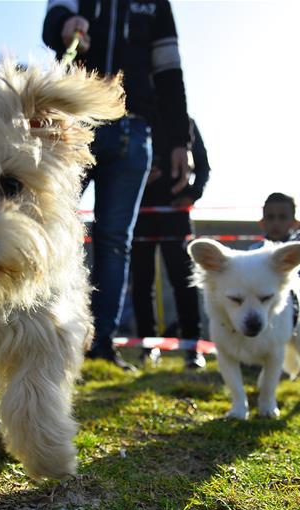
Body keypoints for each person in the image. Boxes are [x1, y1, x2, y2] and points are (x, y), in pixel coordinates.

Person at [43, 0, 191, 371]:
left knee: (114, 241)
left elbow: (169, 72)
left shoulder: (157, 5)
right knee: (47, 224)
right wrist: (64, 23)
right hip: (73, 120)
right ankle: (38, 336)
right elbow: (51, 27)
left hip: (134, 128)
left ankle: (101, 344)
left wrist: (178, 142)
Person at [130, 118, 209, 369]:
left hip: (176, 215)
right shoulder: (133, 121)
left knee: (184, 280)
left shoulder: (183, 123)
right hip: (139, 215)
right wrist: (139, 176)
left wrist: (190, 194)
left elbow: (204, 167)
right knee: (141, 282)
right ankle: (147, 346)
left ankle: (192, 347)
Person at [249, 193, 300, 332]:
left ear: (294, 222)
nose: (276, 222)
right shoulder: (254, 251)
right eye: (270, 217)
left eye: (282, 217)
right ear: (262, 222)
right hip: (268, 317)